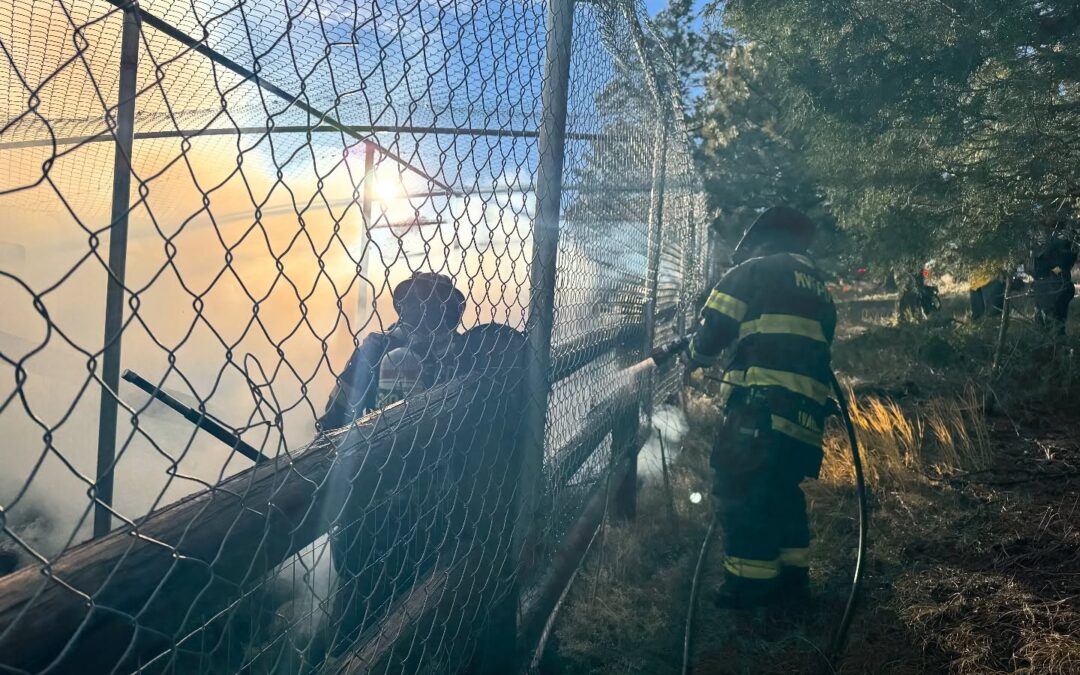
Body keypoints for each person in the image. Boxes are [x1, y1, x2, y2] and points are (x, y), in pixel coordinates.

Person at [686, 206, 836, 609]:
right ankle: (792, 585)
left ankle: (749, 591)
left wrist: (693, 355)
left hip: (759, 410)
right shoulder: (818, 285)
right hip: (806, 416)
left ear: (762, 240)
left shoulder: (753, 271)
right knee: (782, 493)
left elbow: (713, 330)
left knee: (741, 492)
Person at [320, 272, 467, 653]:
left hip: (431, 504)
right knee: (358, 610)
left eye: (435, 302)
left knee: (416, 609)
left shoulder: (462, 356)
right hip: (376, 507)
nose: (424, 310)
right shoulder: (378, 348)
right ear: (403, 308)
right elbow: (334, 418)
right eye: (416, 302)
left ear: (449, 312)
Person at [1032, 237, 1077, 334]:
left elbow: (1060, 268)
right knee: (1050, 317)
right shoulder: (1049, 249)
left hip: (1058, 287)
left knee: (1058, 317)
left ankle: (1056, 336)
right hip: (1049, 287)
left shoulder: (1056, 249)